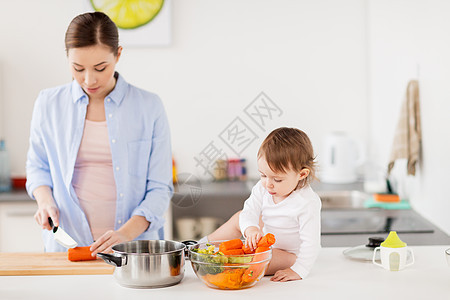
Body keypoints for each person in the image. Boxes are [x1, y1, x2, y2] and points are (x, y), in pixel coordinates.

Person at [26, 12, 173, 255]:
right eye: (78, 68)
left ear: (118, 55)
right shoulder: (48, 104)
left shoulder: (149, 107)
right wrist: (45, 202)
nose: (89, 79)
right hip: (68, 247)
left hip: (134, 251)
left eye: (100, 67)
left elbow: (159, 188)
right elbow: (37, 167)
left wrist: (124, 235)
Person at [205, 127, 321, 282]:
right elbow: (249, 211)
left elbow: (311, 244)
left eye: (277, 179)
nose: (268, 184)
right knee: (239, 217)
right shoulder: (263, 187)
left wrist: (299, 270)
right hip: (267, 238)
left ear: (301, 174)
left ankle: (222, 263)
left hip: (288, 254)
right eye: (263, 175)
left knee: (257, 259)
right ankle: (200, 247)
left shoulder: (306, 203)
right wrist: (250, 228)